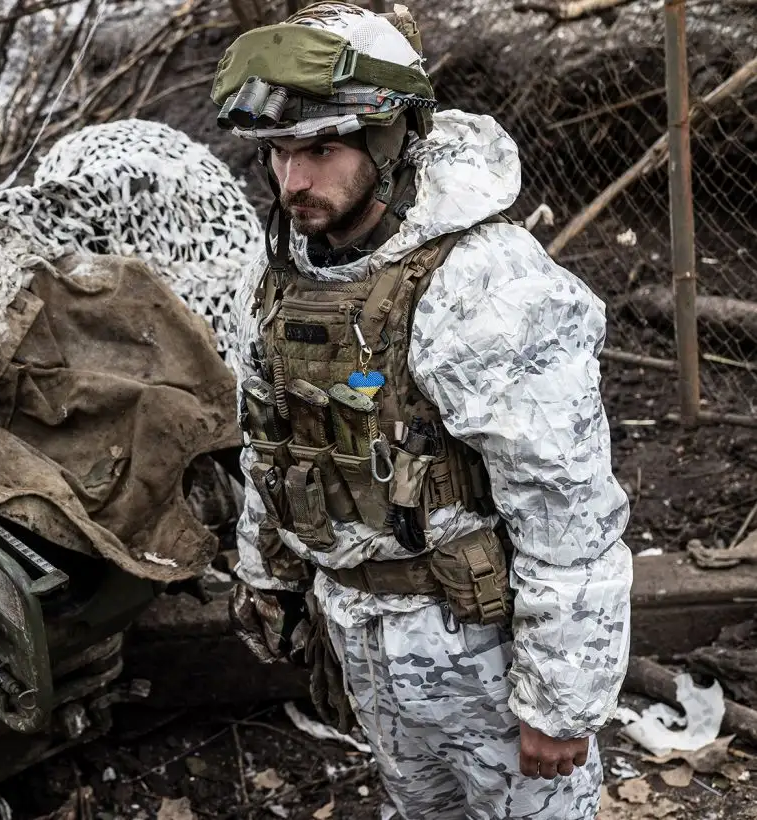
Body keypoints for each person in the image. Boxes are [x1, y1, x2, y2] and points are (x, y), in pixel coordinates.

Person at [213, 2, 632, 818]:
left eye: (320, 150)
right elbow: (272, 438)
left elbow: (566, 508)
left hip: (486, 650)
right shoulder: (284, 273)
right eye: (276, 154)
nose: (293, 182)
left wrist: (558, 700)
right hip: (363, 634)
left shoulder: (486, 283)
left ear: (387, 137)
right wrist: (268, 577)